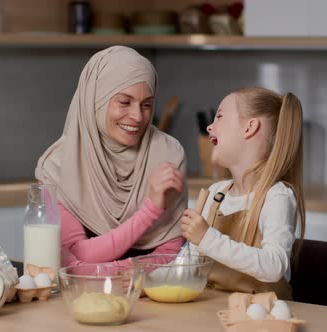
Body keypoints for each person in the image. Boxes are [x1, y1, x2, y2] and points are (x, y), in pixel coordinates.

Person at [35, 46, 187, 267]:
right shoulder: (57, 166)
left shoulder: (168, 153)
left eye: (147, 105)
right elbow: (75, 259)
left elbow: (170, 249)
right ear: (96, 100)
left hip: (152, 294)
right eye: (124, 102)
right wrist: (151, 208)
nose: (137, 117)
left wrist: (126, 274)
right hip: (81, 297)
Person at [180, 87, 306, 300]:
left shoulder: (276, 196)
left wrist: (206, 237)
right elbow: (187, 264)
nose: (210, 126)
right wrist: (147, 277)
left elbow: (273, 265)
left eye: (219, 116)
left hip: (263, 316)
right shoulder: (215, 193)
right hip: (211, 310)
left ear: (249, 128)